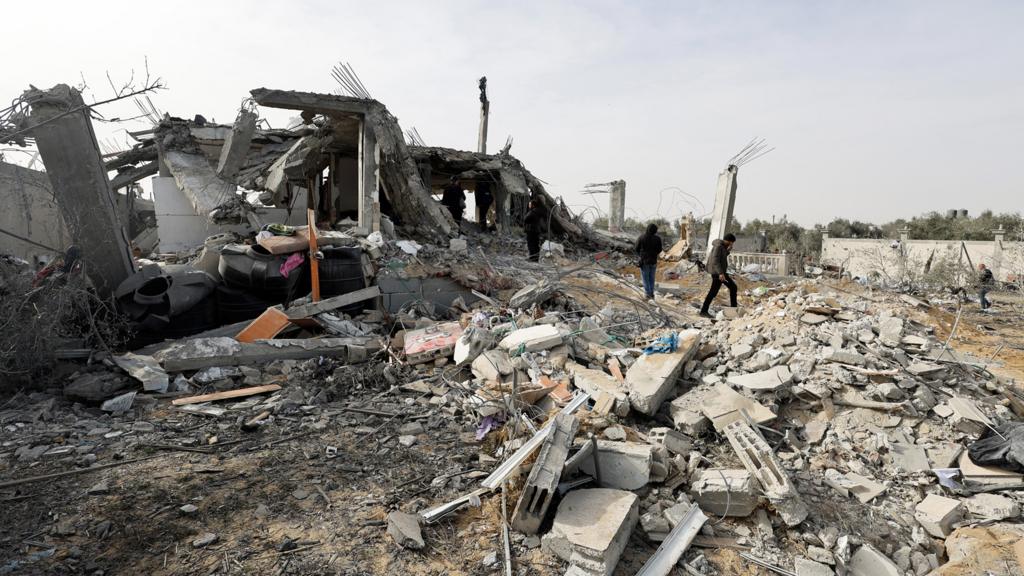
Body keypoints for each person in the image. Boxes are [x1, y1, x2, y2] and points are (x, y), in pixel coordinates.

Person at [699, 233, 737, 318]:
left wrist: (728, 250)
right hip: (717, 273)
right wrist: (720, 273)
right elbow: (715, 260)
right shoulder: (718, 246)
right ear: (729, 241)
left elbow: (721, 257)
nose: (732, 244)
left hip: (720, 272)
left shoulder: (722, 246)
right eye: (731, 242)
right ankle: (703, 311)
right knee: (714, 292)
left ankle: (734, 310)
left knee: (732, 288)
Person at [635, 223, 663, 299]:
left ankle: (647, 294)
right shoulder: (657, 239)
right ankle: (651, 293)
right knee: (652, 278)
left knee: (645, 278)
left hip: (644, 261)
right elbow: (660, 249)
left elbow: (636, 248)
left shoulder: (641, 237)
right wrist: (654, 254)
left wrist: (640, 256)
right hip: (653, 261)